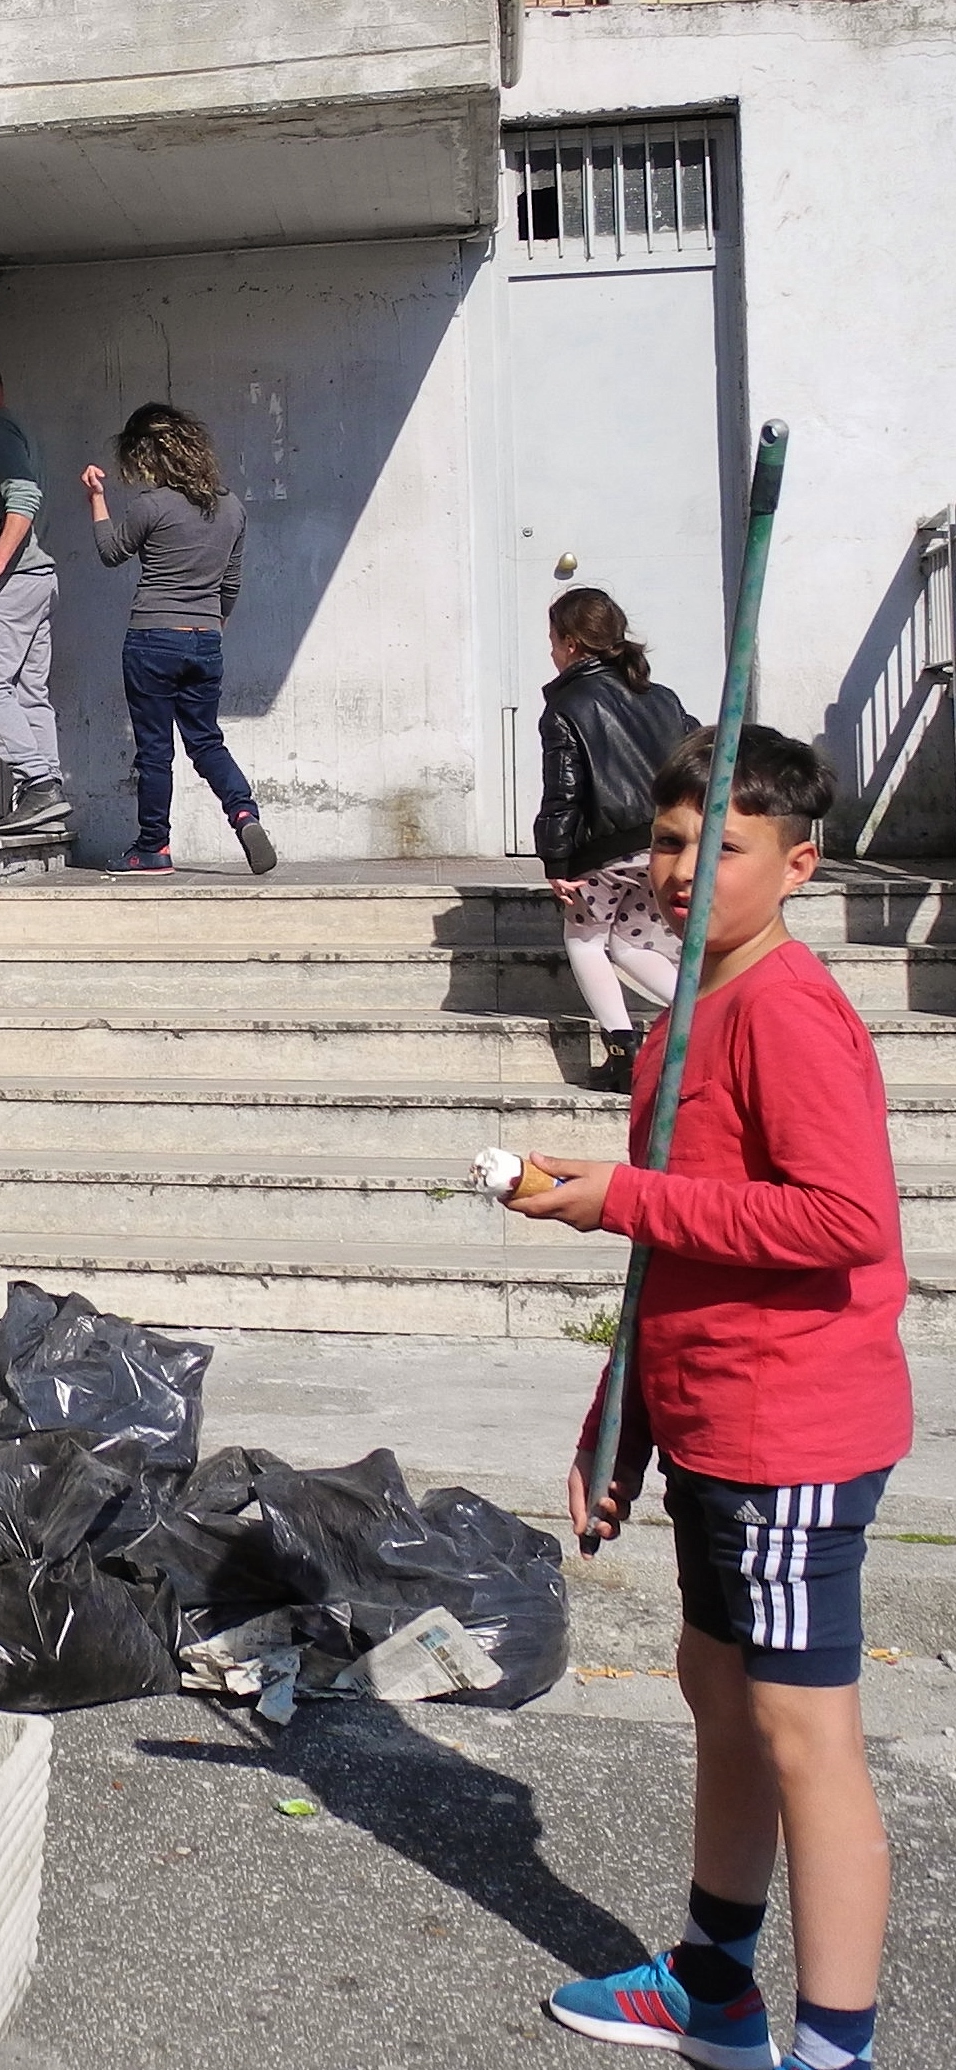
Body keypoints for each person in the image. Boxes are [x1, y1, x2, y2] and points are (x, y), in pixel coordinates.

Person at [507, 725, 903, 2070]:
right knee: (720, 1691)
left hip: (794, 1428)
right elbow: (675, 1246)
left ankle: (835, 2049)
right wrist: (617, 1421)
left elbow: (844, 1219)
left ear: (798, 864)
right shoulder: (689, 1007)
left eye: (720, 846)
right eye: (670, 842)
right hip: (711, 1416)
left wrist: (622, 1194)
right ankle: (714, 1988)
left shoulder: (785, 1006)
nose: (681, 871)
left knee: (803, 1734)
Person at [84, 403, 276, 878]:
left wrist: (96, 497)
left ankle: (153, 848)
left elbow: (111, 552)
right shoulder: (232, 507)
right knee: (206, 741)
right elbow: (231, 583)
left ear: (150, 457)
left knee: (155, 750)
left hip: (153, 638)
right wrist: (213, 625)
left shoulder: (151, 505)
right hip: (205, 639)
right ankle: (244, 813)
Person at [534, 587, 700, 1092]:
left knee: (584, 939)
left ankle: (623, 1053)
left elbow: (564, 791)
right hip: (663, 845)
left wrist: (556, 862)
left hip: (603, 852)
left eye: (553, 641)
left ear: (570, 643)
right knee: (631, 944)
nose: (552, 651)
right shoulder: (663, 698)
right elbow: (698, 758)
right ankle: (707, 1017)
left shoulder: (568, 705)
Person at [0, 358, 66, 836]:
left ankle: (38, 783)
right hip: (37, 578)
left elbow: (24, 495)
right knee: (31, 692)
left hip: (15, 581)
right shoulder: (16, 429)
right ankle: (47, 797)